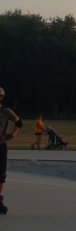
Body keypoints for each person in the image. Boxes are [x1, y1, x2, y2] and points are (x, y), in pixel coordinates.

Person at [0, 87, 23, 215]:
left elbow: (19, 123)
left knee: (1, 175)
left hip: (1, 145)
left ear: (1, 97)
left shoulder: (6, 111)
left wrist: (11, 135)